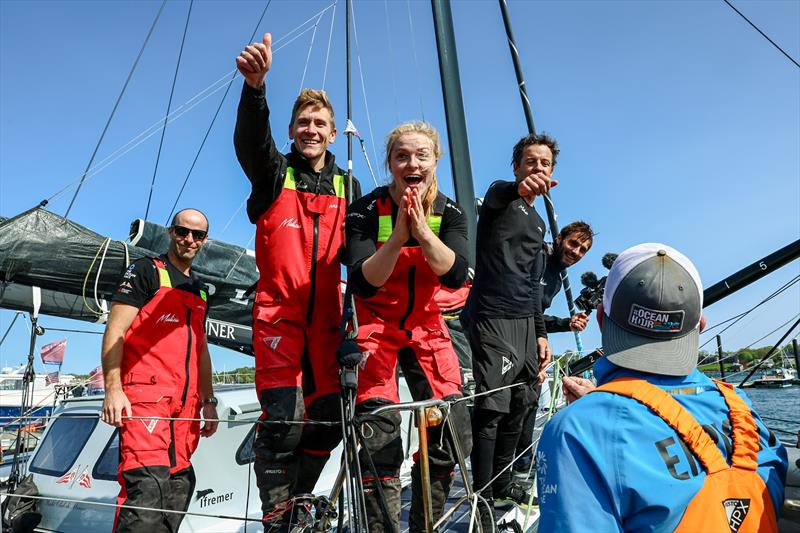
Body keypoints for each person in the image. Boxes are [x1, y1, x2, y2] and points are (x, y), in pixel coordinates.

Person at [537, 243, 788, 531]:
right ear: (701, 325)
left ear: (601, 319)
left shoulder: (577, 430)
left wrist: (596, 412)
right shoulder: (740, 407)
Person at [234, 33, 361, 529]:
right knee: (284, 418)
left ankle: (300, 504)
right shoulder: (273, 172)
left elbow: (365, 253)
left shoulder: (347, 186)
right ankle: (277, 517)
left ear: (333, 134)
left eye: (321, 123)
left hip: (329, 322)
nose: (312, 129)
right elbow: (250, 143)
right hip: (279, 318)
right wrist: (255, 89)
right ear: (291, 130)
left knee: (329, 420)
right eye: (304, 122)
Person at [345, 121, 472, 533]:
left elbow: (455, 276)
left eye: (421, 155)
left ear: (435, 161)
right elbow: (364, 281)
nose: (411, 163)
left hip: (426, 328)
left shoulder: (449, 212)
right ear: (390, 163)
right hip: (376, 328)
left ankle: (425, 526)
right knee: (379, 439)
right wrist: (398, 236)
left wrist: (422, 231)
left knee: (449, 433)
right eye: (402, 156)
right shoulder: (364, 210)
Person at [101, 208, 218, 532]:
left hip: (185, 410)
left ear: (204, 240)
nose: (189, 240)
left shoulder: (200, 290)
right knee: (146, 494)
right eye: (182, 232)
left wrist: (209, 401)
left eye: (197, 235)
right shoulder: (146, 271)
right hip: (146, 401)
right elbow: (115, 332)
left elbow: (201, 350)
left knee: (178, 489)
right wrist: (113, 390)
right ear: (170, 233)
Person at [462, 132, 556, 525]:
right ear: (517, 166)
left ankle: (501, 486)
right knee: (492, 410)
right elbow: (498, 192)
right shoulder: (500, 201)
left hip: (523, 321)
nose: (538, 168)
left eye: (545, 164)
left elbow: (535, 285)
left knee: (521, 407)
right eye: (530, 162)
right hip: (492, 317)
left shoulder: (537, 222)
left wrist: (541, 332)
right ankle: (480, 500)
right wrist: (517, 187)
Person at [513, 220, 594, 475]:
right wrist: (538, 339)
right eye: (573, 243)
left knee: (529, 402)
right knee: (516, 403)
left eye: (582, 250)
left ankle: (522, 462)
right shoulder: (538, 257)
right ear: (559, 238)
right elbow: (524, 304)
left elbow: (538, 314)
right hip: (509, 334)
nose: (576, 252)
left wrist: (566, 324)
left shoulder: (557, 277)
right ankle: (507, 470)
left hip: (526, 339)